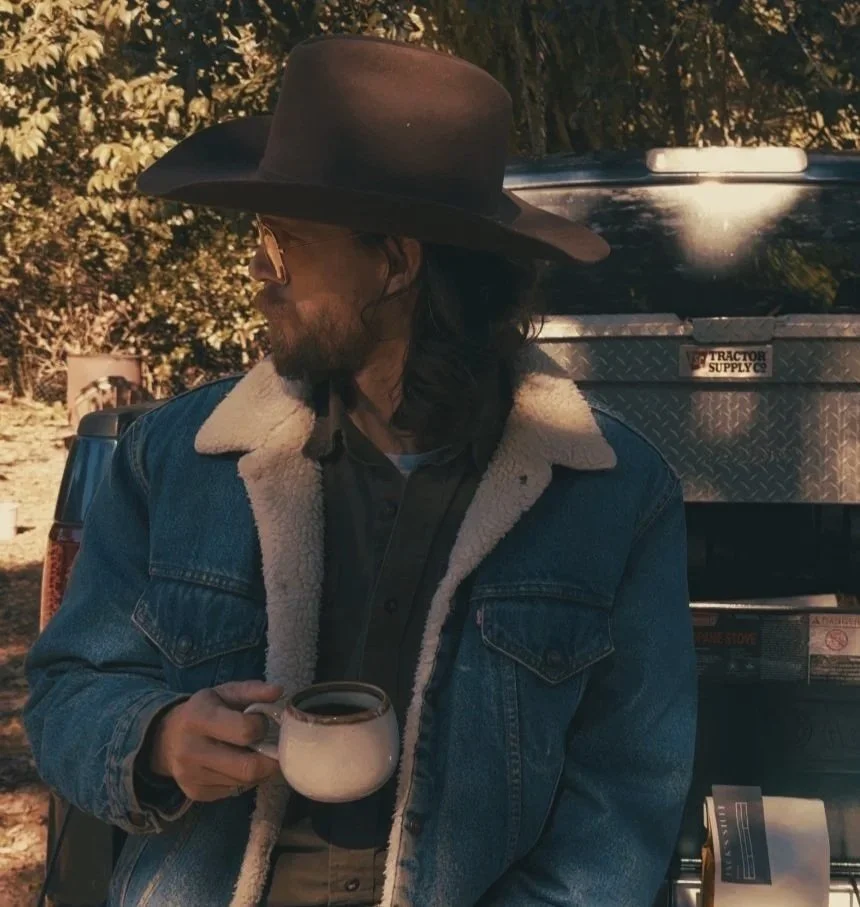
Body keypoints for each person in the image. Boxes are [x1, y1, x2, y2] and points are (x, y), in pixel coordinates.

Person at [24, 34, 696, 907]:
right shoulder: (177, 461)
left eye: (289, 240)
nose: (262, 273)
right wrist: (156, 739)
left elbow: (628, 800)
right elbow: (65, 693)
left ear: (396, 261)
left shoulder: (610, 493)